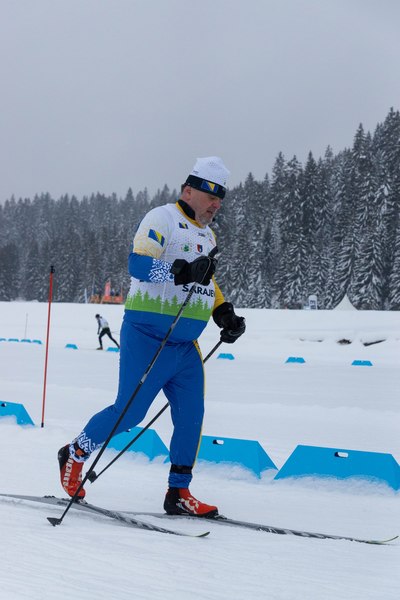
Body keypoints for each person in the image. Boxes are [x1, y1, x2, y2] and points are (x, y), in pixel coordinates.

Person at [58, 157, 246, 517]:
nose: (216, 205)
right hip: (147, 338)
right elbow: (138, 265)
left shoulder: (208, 235)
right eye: (211, 196)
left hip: (185, 346)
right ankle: (75, 453)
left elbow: (207, 282)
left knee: (191, 417)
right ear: (188, 191)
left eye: (220, 199)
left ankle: (179, 492)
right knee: (129, 413)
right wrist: (182, 272)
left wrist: (224, 313)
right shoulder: (161, 218)